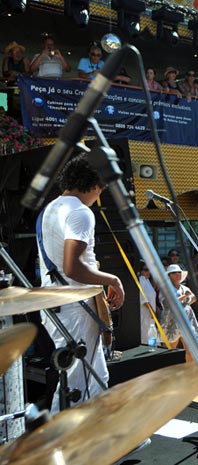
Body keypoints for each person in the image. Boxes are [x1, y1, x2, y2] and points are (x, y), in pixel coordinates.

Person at [37, 154, 124, 413]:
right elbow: (72, 267)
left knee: (96, 376)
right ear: (95, 185)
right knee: (76, 383)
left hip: (56, 304)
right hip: (74, 307)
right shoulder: (80, 213)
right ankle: (56, 444)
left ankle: (107, 437)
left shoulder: (50, 209)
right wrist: (113, 279)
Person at [160, 265, 198, 363]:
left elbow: (193, 298)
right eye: (174, 273)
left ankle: (189, 372)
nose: (178, 274)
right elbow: (168, 303)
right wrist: (184, 297)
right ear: (169, 275)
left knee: (191, 350)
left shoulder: (184, 287)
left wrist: (195, 296)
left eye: (179, 272)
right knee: (170, 351)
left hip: (187, 320)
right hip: (171, 322)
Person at [138, 262, 158, 345]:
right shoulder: (141, 279)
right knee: (146, 335)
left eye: (149, 270)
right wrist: (152, 311)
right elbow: (143, 299)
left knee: (151, 335)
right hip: (145, 313)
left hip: (150, 314)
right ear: (141, 271)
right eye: (146, 270)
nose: (148, 272)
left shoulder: (147, 280)